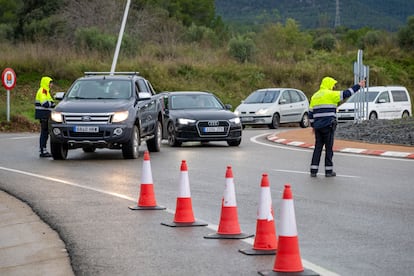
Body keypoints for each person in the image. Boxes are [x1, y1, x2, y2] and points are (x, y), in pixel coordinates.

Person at [309, 76, 366, 177]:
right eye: (333, 84)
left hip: (318, 127)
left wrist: (313, 126)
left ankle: (313, 170)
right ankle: (328, 171)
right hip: (328, 126)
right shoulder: (331, 94)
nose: (334, 86)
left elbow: (310, 113)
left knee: (317, 148)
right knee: (328, 148)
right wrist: (359, 85)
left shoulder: (315, 96)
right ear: (329, 84)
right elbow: (346, 93)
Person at [34, 76, 55, 158]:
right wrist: (52, 104)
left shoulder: (46, 91)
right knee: (44, 133)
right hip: (43, 115)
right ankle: (43, 151)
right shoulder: (43, 91)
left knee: (45, 133)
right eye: (50, 83)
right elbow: (44, 103)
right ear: (47, 83)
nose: (51, 85)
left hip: (44, 115)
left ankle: (43, 150)